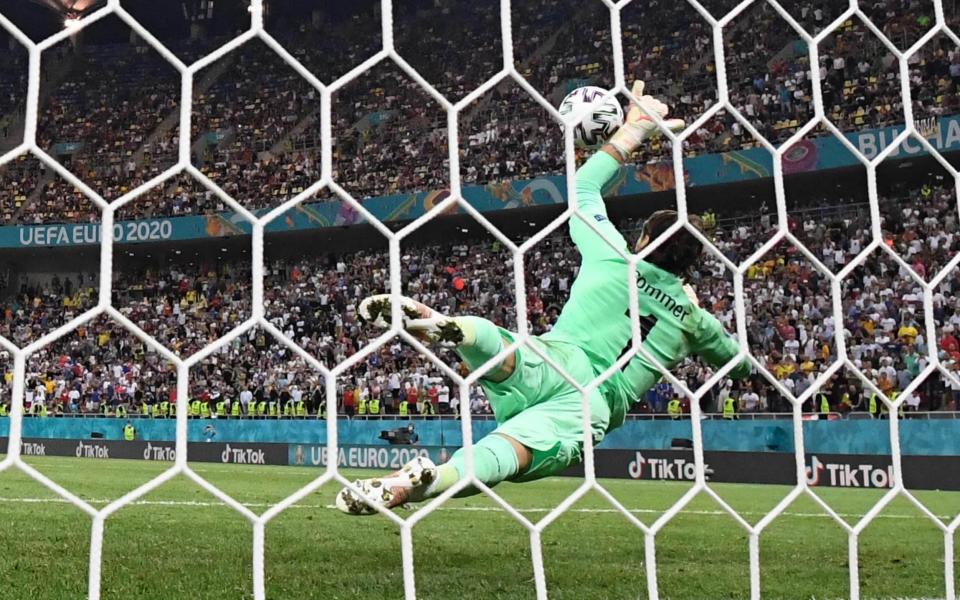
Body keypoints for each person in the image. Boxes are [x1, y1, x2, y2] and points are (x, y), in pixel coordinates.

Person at [336, 81, 750, 515]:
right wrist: (696, 316)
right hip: (595, 401)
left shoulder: (614, 257)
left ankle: (461, 331)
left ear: (644, 238)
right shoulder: (692, 320)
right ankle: (430, 479)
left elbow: (584, 189)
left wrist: (634, 130)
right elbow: (738, 365)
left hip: (558, 356)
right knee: (510, 454)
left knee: (504, 348)